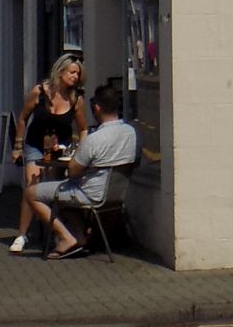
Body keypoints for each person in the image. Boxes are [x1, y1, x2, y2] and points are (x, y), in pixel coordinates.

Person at [26, 85, 137, 259]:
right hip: (116, 193)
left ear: (97, 108)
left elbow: (73, 171)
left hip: (89, 194)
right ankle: (79, 236)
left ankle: (66, 237)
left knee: (32, 193)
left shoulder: (94, 139)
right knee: (66, 190)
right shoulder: (132, 133)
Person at [8, 54, 90, 255]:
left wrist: (82, 151)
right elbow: (23, 117)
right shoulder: (40, 92)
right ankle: (22, 234)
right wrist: (18, 146)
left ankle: (57, 232)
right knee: (32, 185)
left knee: (53, 188)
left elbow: (83, 129)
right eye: (72, 72)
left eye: (78, 73)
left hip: (59, 149)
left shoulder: (76, 99)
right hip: (36, 143)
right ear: (60, 72)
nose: (75, 76)